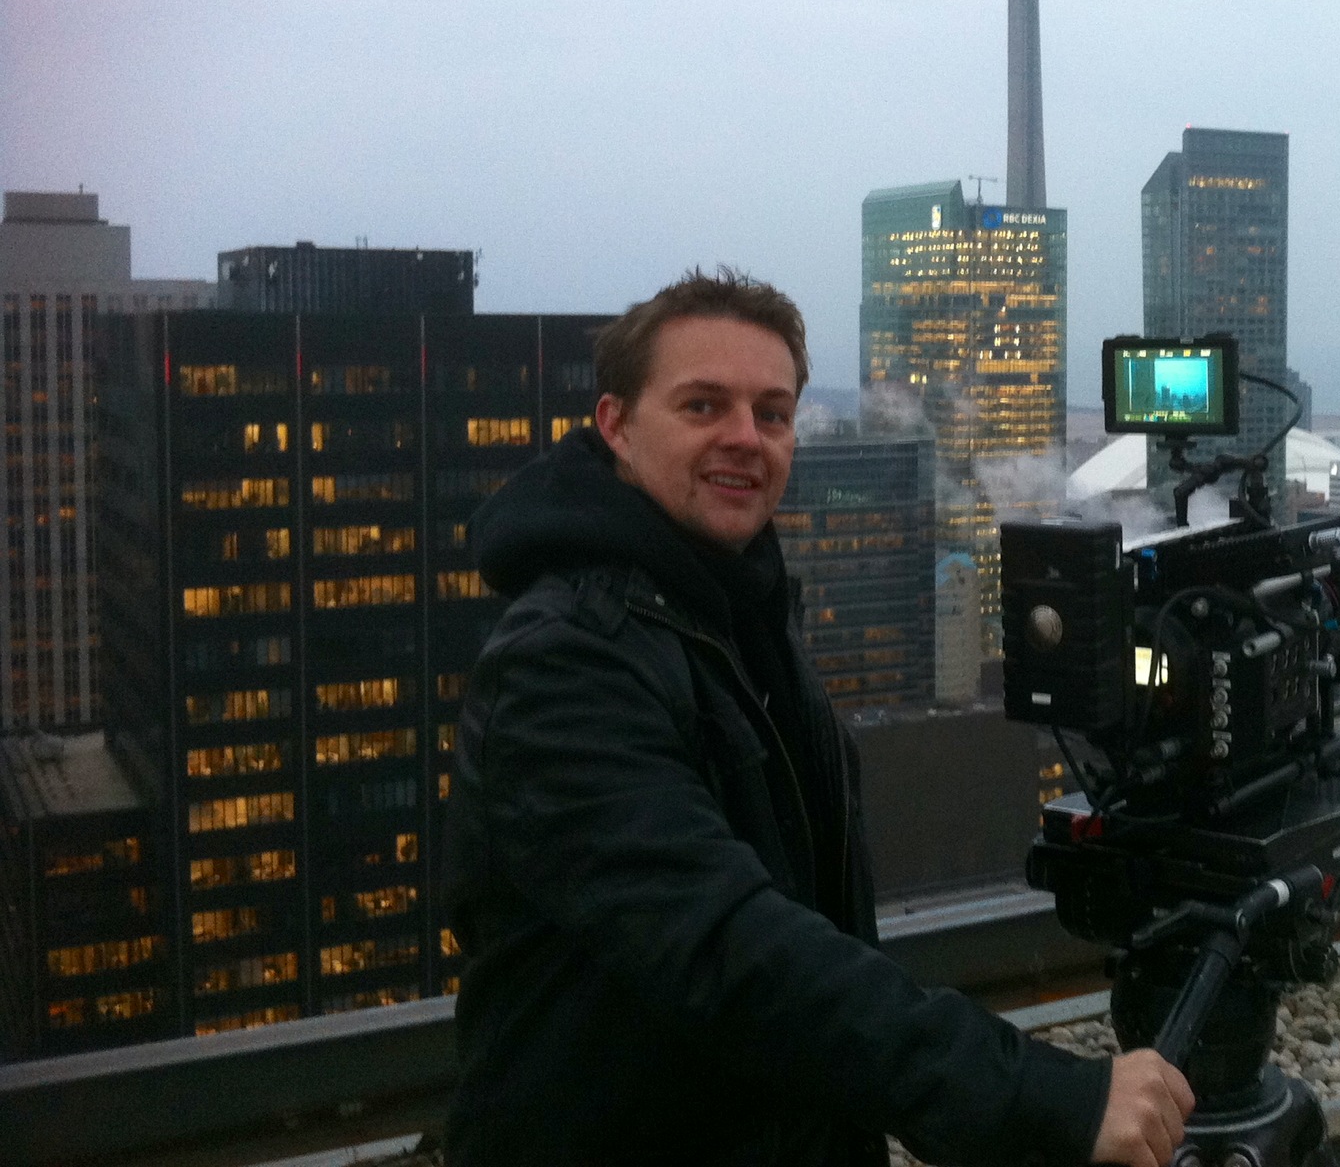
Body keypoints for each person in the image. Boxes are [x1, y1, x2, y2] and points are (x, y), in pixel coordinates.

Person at [445, 269, 1195, 1167]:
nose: (744, 438)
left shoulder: (732, 607)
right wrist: (1039, 1096)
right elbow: (730, 946)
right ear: (616, 424)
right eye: (701, 405)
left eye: (772, 412)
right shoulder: (566, 660)